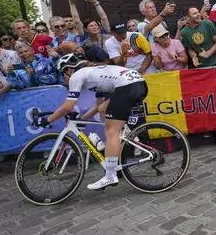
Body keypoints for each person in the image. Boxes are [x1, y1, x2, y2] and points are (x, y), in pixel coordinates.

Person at [34, 53, 148, 190]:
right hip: (138, 84)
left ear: (69, 69)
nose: (62, 78)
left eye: (62, 74)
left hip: (127, 86)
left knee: (111, 131)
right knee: (102, 109)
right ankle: (123, 133)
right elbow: (96, 106)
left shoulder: (77, 76)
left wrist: (48, 120)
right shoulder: (93, 75)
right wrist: (80, 120)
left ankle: (111, 175)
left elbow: (68, 106)